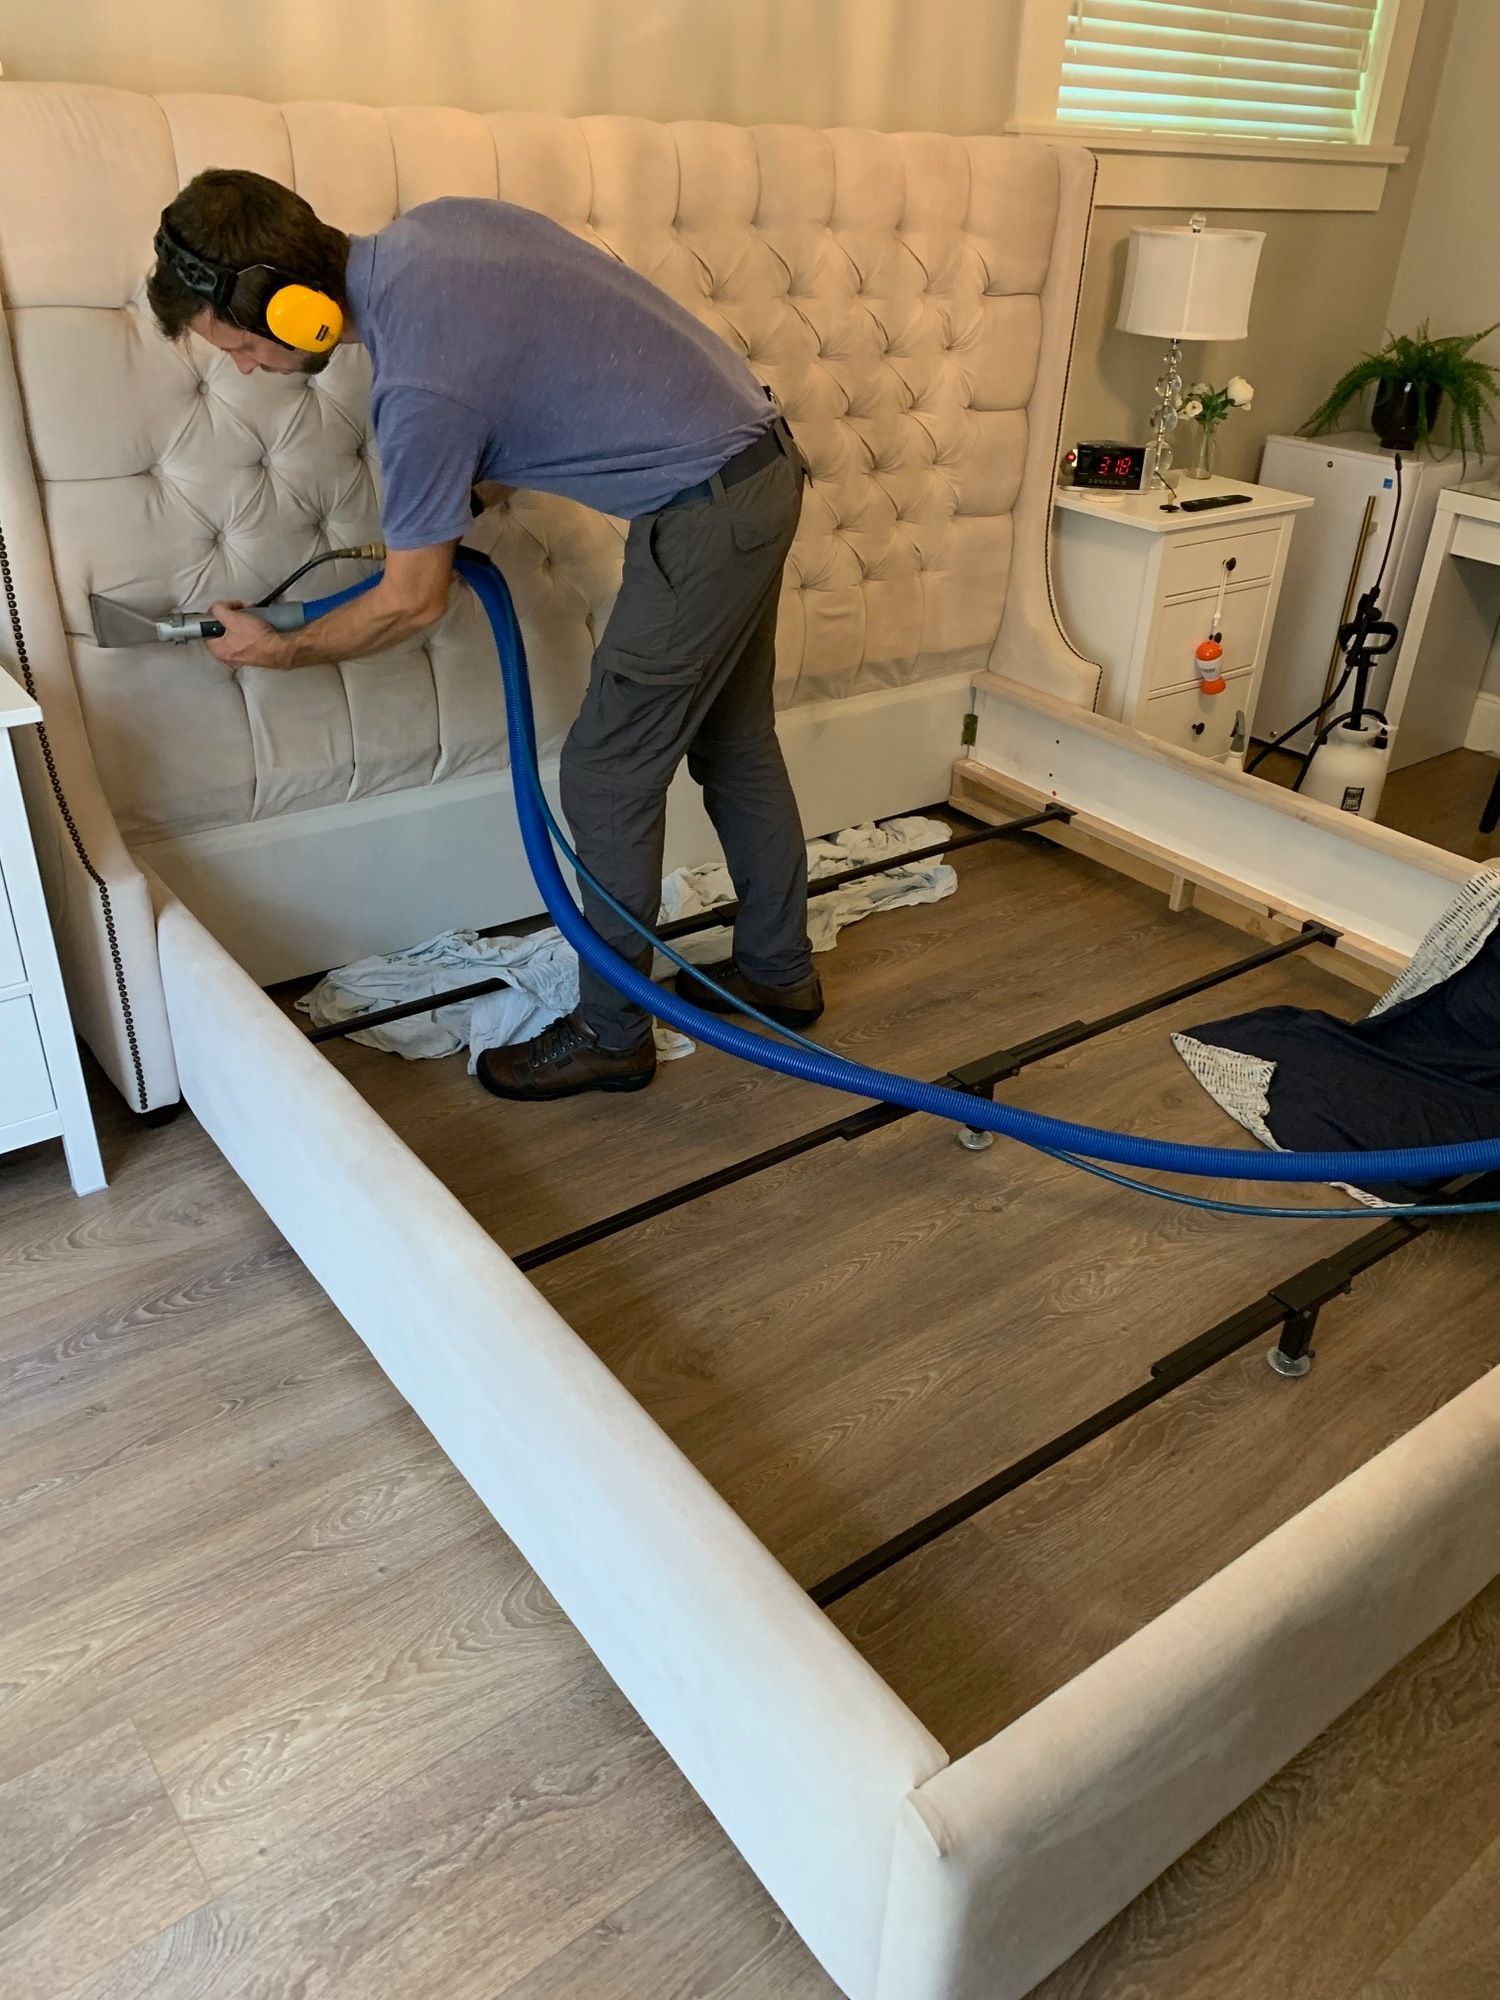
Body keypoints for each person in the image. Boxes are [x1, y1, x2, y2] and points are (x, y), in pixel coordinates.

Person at [146, 169, 824, 1101]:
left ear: (293, 309)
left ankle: (611, 1032)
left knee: (605, 774)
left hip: (703, 520)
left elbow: (412, 603)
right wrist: (458, 489)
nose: (246, 368)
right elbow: (550, 367)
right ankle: (781, 974)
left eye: (237, 346)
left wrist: (281, 649)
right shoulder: (439, 232)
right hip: (760, 473)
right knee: (735, 741)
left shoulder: (419, 389)